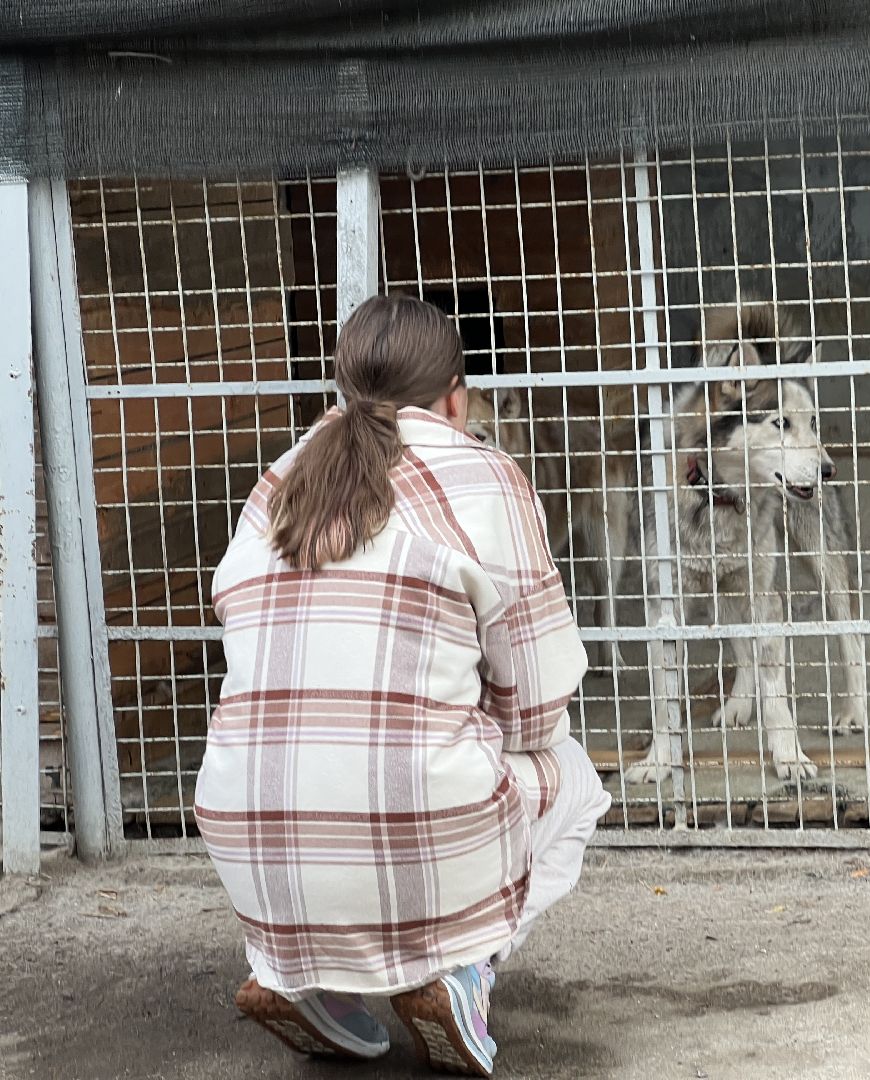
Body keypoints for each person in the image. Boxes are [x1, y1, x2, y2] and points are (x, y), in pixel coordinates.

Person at [193, 293, 611, 1076]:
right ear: (456, 394)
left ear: (340, 386)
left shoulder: (274, 481)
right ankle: (462, 970)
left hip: (247, 828)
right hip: (418, 815)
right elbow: (538, 698)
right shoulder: (486, 472)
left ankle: (298, 977)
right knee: (576, 780)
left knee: (331, 763)